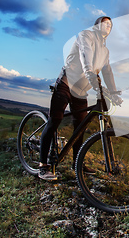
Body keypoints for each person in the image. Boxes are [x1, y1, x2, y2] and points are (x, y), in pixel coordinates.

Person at [38, 16, 119, 181]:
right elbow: (85, 55)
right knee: (55, 119)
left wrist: (114, 91)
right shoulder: (85, 35)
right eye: (104, 23)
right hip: (66, 84)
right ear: (96, 26)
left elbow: (107, 71)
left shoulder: (105, 51)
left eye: (110, 25)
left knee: (80, 127)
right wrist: (90, 73)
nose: (108, 27)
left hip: (81, 90)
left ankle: (77, 163)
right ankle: (43, 165)